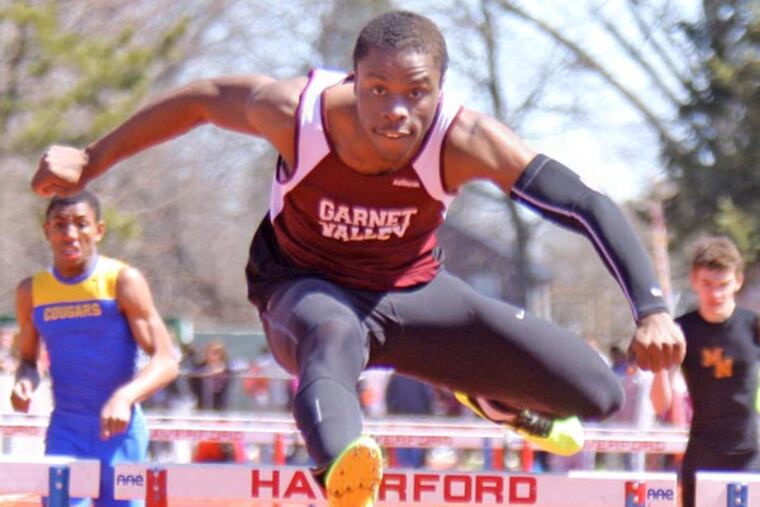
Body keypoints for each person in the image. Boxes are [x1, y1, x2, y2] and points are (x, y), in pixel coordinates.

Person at [30, 11, 685, 507]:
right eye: (376, 89)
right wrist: (92, 157)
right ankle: (344, 468)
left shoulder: (467, 140)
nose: (394, 111)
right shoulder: (296, 113)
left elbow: (585, 202)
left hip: (412, 294)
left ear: (440, 92)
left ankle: (495, 399)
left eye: (414, 93)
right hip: (303, 289)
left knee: (597, 393)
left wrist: (652, 309)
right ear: (353, 79)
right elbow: (200, 99)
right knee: (333, 332)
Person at [10, 191, 179, 507]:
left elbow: (167, 361)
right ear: (47, 231)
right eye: (60, 225)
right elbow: (29, 362)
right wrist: (25, 382)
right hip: (66, 430)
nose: (70, 234)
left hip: (119, 433)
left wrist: (125, 397)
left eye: (80, 224)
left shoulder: (122, 281)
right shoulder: (31, 291)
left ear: (98, 230)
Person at [650, 236, 760, 507]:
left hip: (749, 454)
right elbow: (659, 404)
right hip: (702, 453)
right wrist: (660, 367)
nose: (716, 294)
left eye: (723, 285)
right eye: (707, 284)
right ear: (694, 281)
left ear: (738, 281)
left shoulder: (753, 326)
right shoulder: (680, 330)